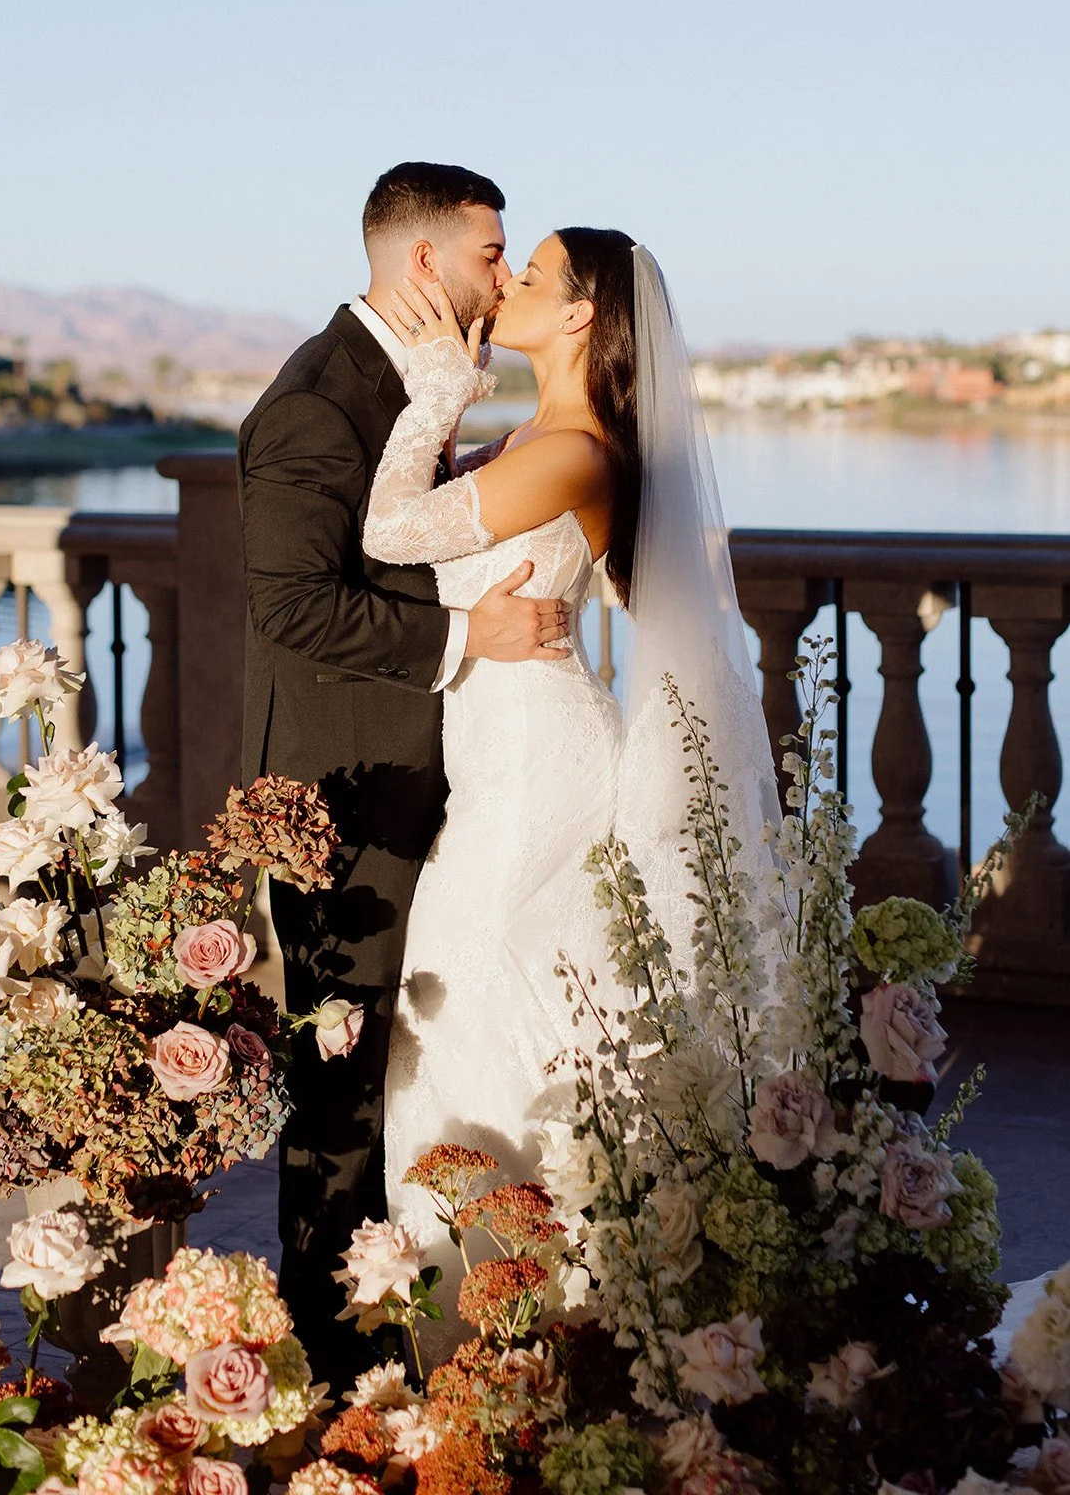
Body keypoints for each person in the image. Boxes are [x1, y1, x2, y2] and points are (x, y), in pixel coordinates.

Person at [362, 228, 780, 1352]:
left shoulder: (576, 450)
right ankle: (491, 1316)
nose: (510, 287)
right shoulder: (537, 436)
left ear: (587, 314)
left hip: (537, 758)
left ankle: (515, 1317)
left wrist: (439, 386)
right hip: (496, 750)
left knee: (460, 998)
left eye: (533, 276)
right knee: (468, 999)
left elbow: (390, 528)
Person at [237, 163, 572, 1380]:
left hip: (423, 782)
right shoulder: (318, 404)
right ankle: (328, 1365)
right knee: (341, 1084)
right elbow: (289, 609)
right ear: (425, 262)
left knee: (396, 1064)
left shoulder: (401, 385)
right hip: (341, 798)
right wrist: (461, 640)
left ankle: (400, 1332)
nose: (505, 271)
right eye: (491, 254)